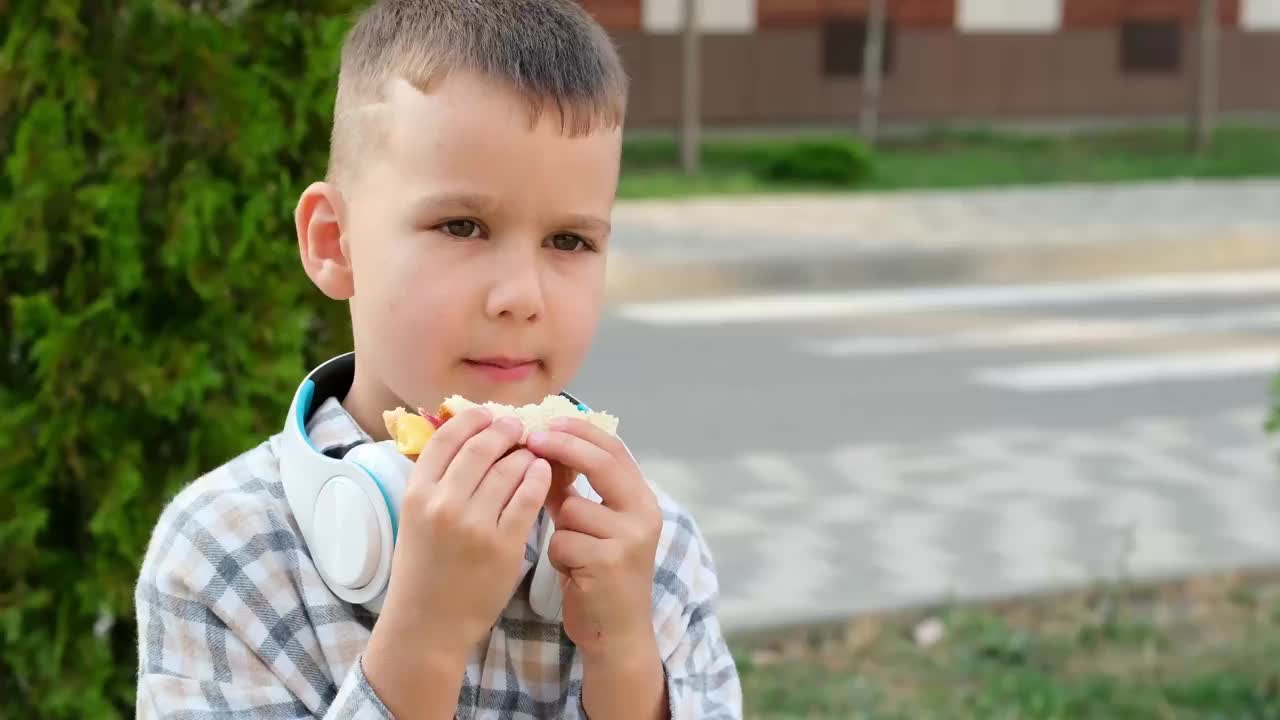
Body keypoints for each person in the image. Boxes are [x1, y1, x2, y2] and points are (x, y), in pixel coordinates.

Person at [133, 0, 742, 718]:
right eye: (463, 225)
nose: (521, 297)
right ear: (335, 243)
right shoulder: (224, 555)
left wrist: (628, 663)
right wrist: (423, 639)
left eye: (570, 241)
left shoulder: (652, 552)